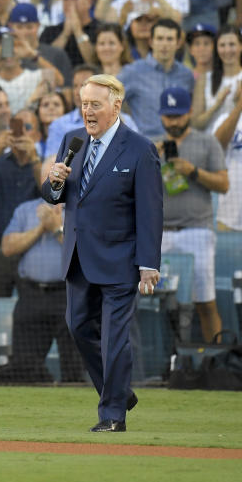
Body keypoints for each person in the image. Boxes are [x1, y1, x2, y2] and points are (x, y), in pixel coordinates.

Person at [43, 74, 162, 432]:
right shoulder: (71, 141)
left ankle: (112, 414)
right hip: (78, 258)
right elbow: (54, 197)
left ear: (116, 105)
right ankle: (120, 390)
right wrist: (54, 182)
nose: (87, 111)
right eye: (83, 104)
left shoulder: (140, 148)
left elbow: (151, 211)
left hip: (121, 261)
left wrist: (148, 264)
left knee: (114, 338)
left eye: (95, 104)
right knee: (77, 327)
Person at [0, 193, 85, 383]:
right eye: (48, 175)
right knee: (24, 367)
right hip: (31, 295)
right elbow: (7, 248)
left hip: (69, 294)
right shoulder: (25, 210)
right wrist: (41, 228)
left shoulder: (83, 207)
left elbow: (86, 250)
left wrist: (57, 228)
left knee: (74, 367)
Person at [155, 86, 226, 344]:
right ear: (161, 115)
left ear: (189, 112)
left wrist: (192, 171)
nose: (173, 120)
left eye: (178, 115)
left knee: (205, 301)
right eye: (168, 115)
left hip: (197, 230)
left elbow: (223, 184)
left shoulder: (207, 142)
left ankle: (216, 361)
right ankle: (168, 365)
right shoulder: (152, 145)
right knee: (157, 303)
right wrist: (150, 159)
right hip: (160, 233)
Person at [0, 108, 43, 297]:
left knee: (33, 310)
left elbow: (52, 193)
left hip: (32, 248)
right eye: (16, 127)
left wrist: (34, 160)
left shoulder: (47, 164)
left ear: (38, 135)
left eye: (28, 127)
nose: (21, 132)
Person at [117, 18, 194, 139]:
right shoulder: (133, 72)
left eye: (169, 39)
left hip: (180, 143)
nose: (164, 44)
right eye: (159, 39)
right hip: (146, 145)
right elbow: (107, 102)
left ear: (178, 43)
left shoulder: (186, 75)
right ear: (151, 41)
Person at [191, 25, 242, 131]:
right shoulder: (205, 79)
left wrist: (239, 104)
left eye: (232, 44)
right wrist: (217, 105)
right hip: (211, 143)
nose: (227, 50)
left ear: (240, 46)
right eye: (222, 45)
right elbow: (196, 123)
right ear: (216, 49)